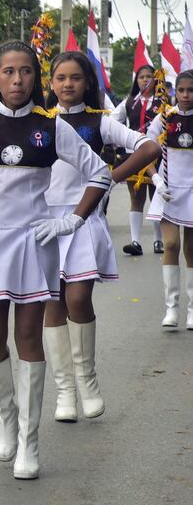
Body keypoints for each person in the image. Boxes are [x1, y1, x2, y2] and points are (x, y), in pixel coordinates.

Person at [0, 40, 113, 480]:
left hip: (36, 242)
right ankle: (7, 416)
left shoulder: (51, 127)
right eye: (8, 72)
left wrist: (72, 221)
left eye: (26, 72)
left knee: (29, 337)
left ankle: (29, 442)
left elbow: (100, 173)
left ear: (36, 77)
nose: (17, 80)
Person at [43, 52, 161, 423]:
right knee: (51, 302)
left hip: (82, 219)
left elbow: (150, 146)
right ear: (50, 83)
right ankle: (64, 391)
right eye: (60, 78)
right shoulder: (39, 122)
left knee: (78, 297)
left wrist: (113, 176)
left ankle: (86, 380)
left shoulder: (100, 122)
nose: (67, 84)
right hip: (43, 221)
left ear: (88, 83)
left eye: (75, 78)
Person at [146, 71, 193, 330]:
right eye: (182, 90)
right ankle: (171, 308)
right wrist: (155, 179)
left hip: (192, 190)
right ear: (175, 91)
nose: (186, 95)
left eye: (191, 90)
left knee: (192, 249)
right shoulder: (165, 118)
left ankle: (192, 311)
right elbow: (145, 149)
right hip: (169, 189)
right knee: (171, 244)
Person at [110, 65, 166, 255]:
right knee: (136, 198)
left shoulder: (163, 103)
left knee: (156, 197)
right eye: (141, 77)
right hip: (133, 154)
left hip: (157, 155)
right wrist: (120, 140)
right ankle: (135, 241)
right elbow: (112, 120)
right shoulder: (129, 102)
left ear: (155, 79)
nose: (144, 80)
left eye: (148, 76)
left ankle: (159, 241)